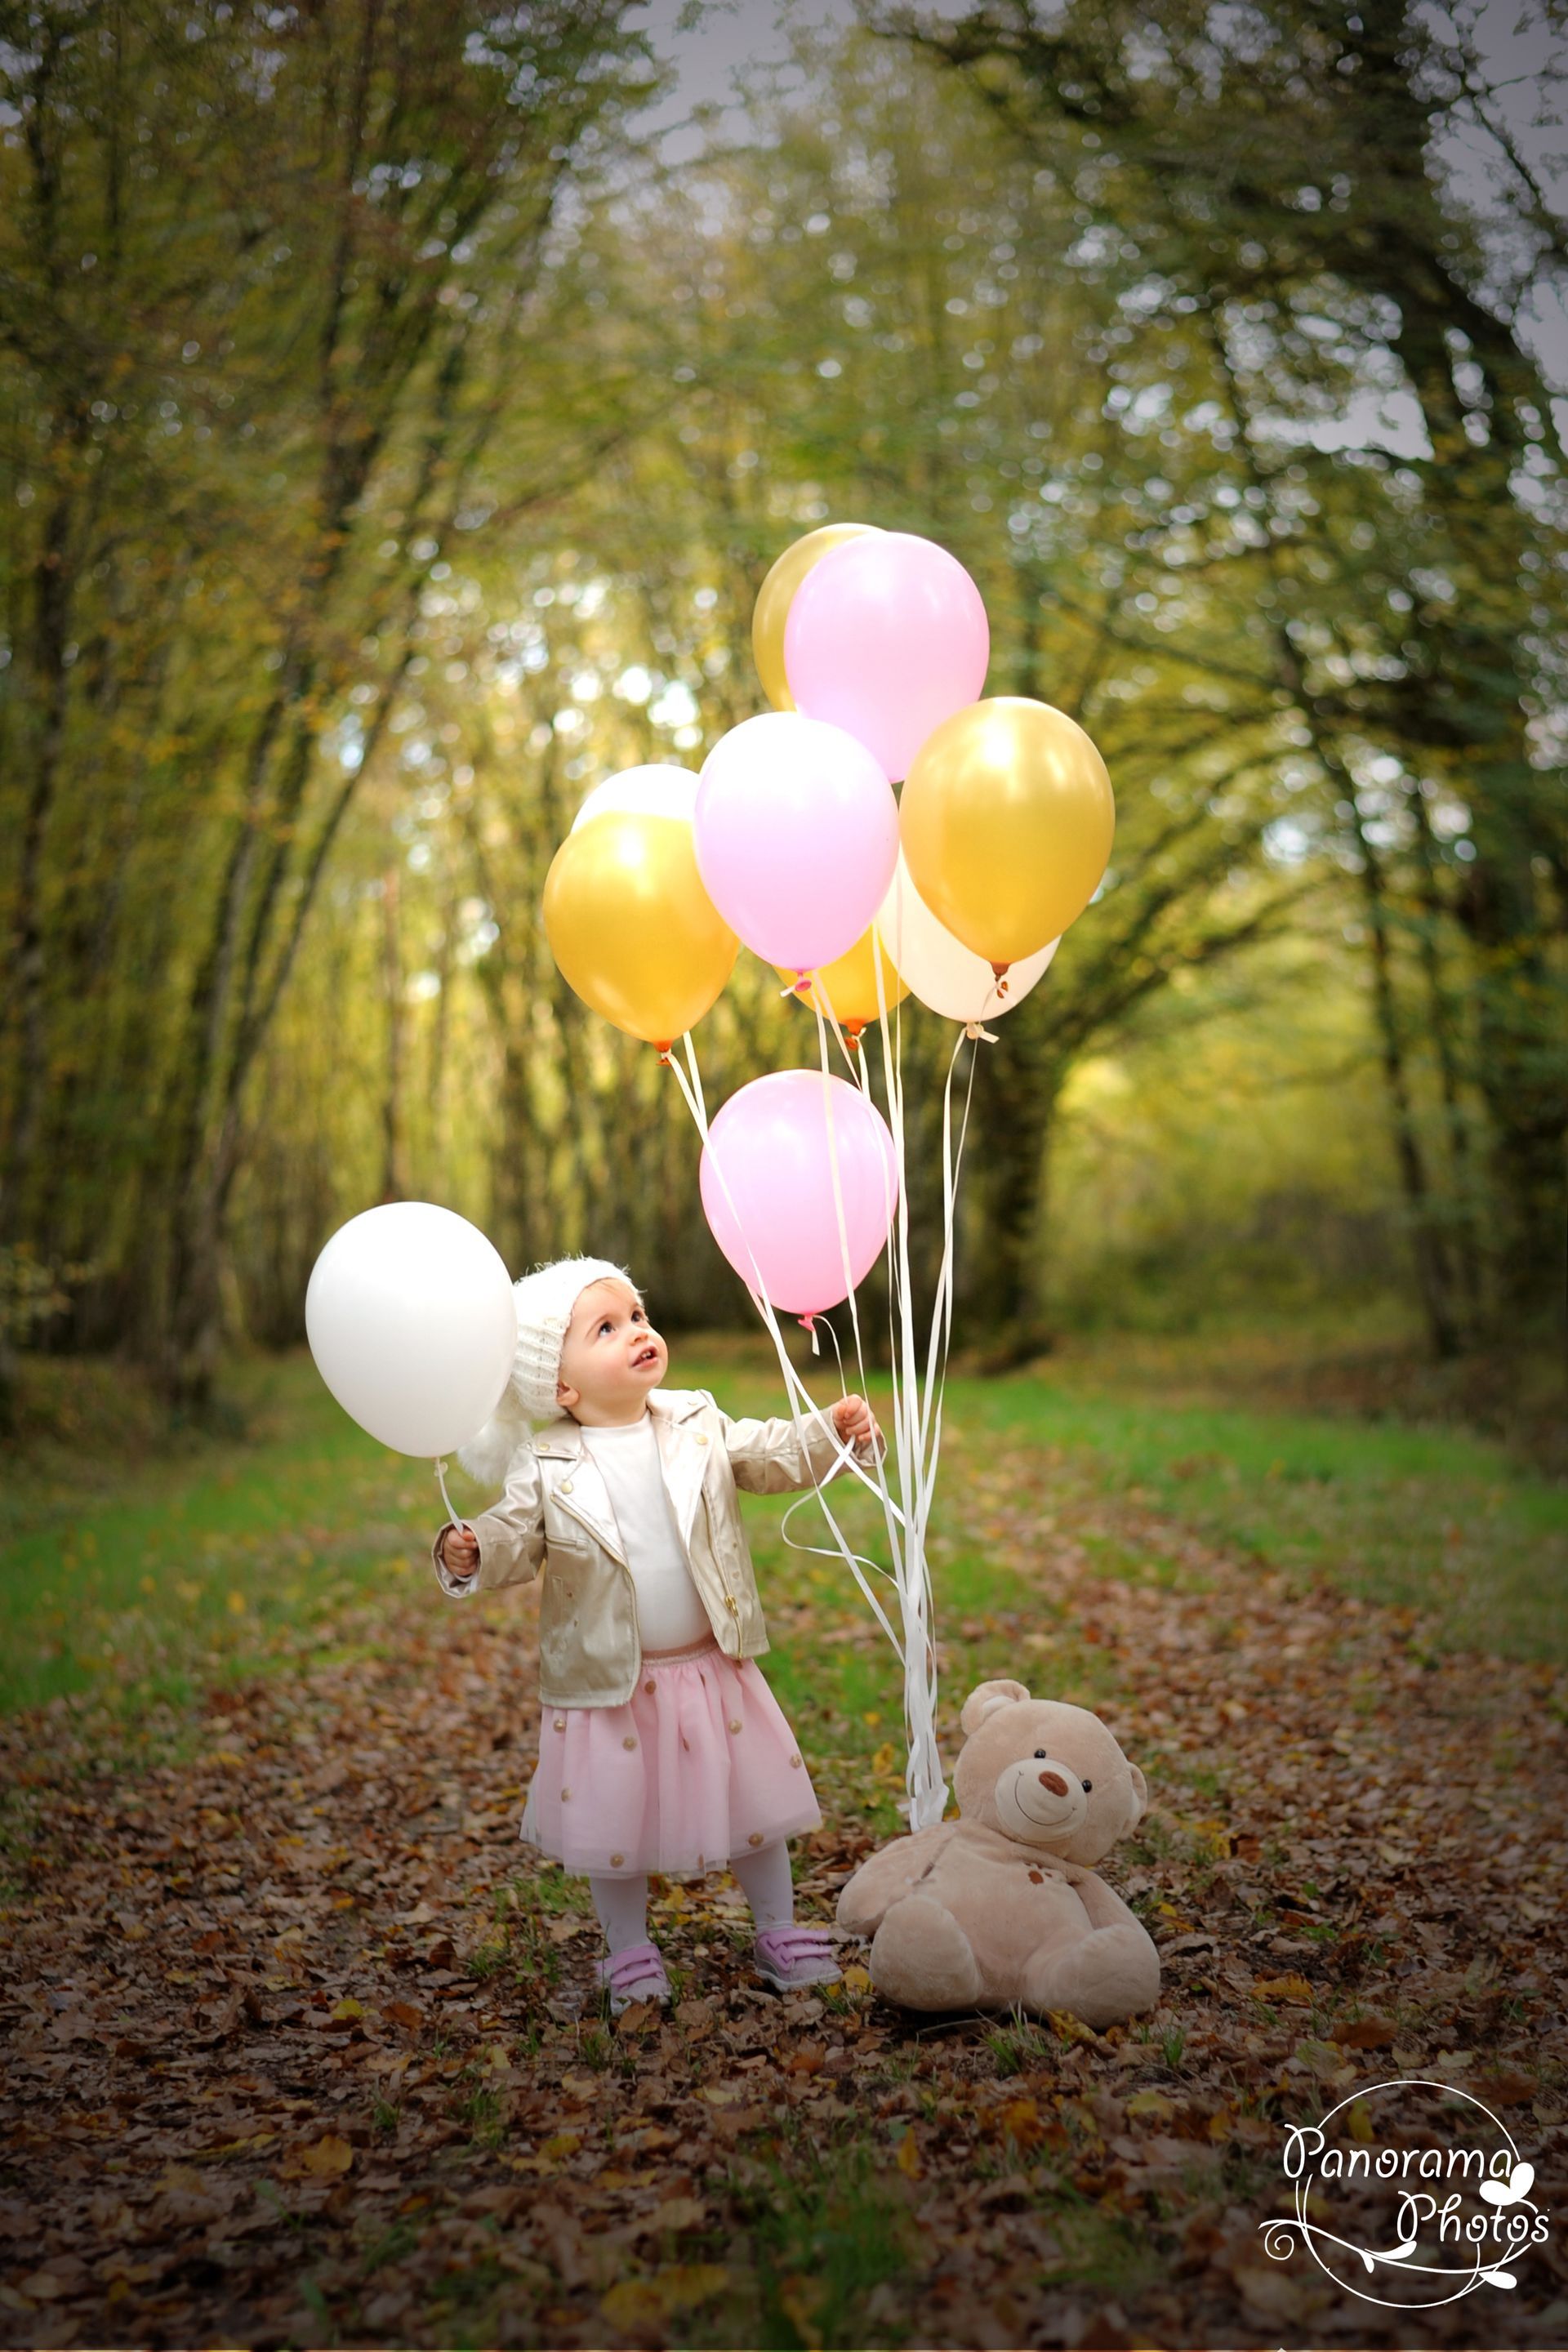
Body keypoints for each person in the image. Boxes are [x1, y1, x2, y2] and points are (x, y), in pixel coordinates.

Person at [433, 1254, 883, 2016]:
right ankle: (630, 1950)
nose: (637, 1331)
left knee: (753, 1799)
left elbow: (765, 1454)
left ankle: (776, 1928)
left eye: (636, 1316)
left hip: (709, 1662)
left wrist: (825, 1434)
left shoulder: (695, 1421)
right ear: (561, 1386)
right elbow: (515, 1536)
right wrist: (471, 1547)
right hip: (611, 1679)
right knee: (615, 1817)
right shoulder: (545, 1463)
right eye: (605, 1328)